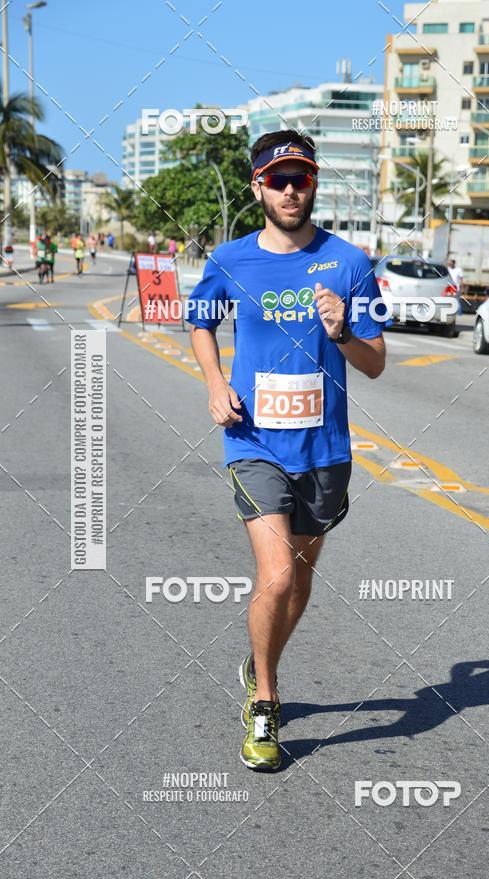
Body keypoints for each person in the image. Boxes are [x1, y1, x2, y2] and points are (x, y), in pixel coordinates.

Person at [186, 129, 386, 772]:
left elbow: (376, 363)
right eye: (278, 180)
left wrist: (344, 330)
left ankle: (257, 661)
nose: (291, 189)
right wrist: (215, 382)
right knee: (274, 575)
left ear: (315, 183)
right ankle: (266, 703)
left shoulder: (350, 262)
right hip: (254, 442)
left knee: (299, 582)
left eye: (301, 177)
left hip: (324, 450)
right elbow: (200, 321)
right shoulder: (230, 260)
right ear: (258, 188)